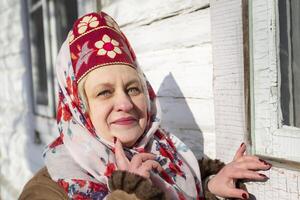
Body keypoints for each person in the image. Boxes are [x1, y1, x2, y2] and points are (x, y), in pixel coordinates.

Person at [19, 12, 271, 200]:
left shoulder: (172, 160)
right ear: (78, 109)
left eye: (133, 88)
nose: (125, 103)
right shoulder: (46, 190)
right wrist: (129, 193)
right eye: (104, 92)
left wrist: (211, 187)